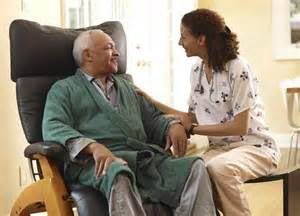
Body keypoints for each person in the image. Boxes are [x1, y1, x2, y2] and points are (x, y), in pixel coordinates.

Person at [42, 29, 216, 216]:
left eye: (116, 48)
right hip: (97, 163)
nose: (117, 53)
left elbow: (152, 119)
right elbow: (53, 126)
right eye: (109, 48)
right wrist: (92, 146)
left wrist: (171, 126)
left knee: (194, 167)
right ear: (88, 55)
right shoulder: (63, 89)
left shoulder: (127, 86)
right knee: (117, 171)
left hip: (142, 159)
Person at [138, 9, 281, 216]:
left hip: (255, 147)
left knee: (220, 169)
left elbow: (240, 126)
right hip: (219, 151)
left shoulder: (238, 67)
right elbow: (190, 117)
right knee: (189, 172)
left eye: (183, 36)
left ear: (201, 39)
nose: (180, 42)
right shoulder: (196, 71)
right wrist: (150, 100)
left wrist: (194, 129)